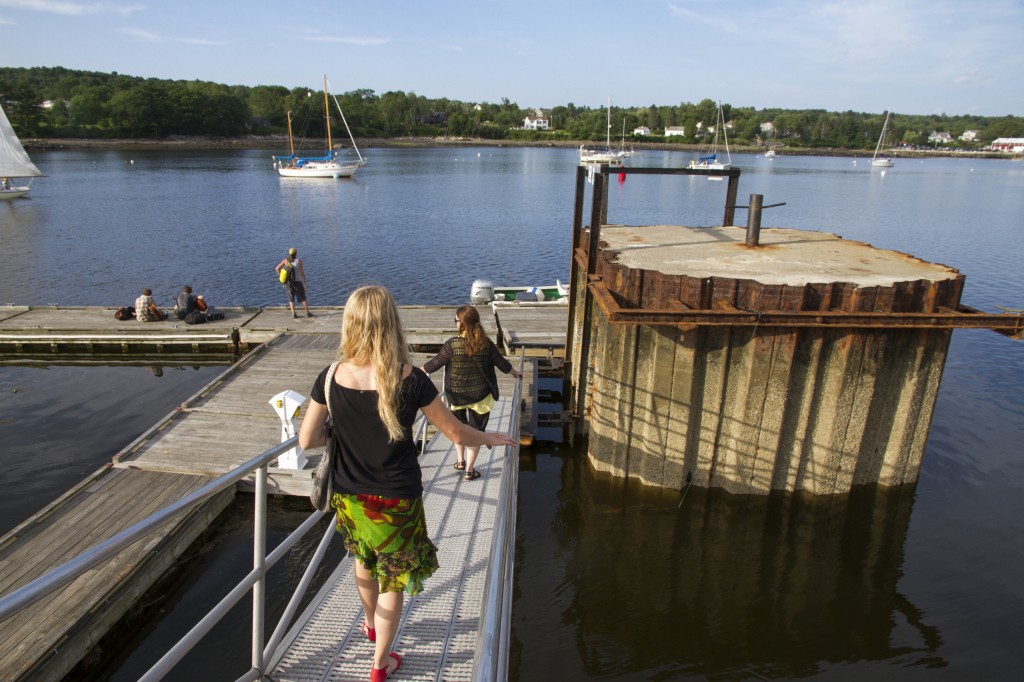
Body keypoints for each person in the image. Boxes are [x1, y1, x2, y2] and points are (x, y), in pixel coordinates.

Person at [298, 286, 515, 682]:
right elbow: (456, 433)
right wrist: (490, 437)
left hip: (350, 496)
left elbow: (307, 440)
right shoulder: (410, 379)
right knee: (393, 578)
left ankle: (369, 625)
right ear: (391, 324)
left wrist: (344, 429)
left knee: (363, 560)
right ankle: (380, 665)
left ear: (351, 323)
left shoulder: (329, 377)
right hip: (397, 500)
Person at [422, 305, 522, 480]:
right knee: (476, 433)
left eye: (455, 320)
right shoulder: (486, 344)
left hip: (456, 396)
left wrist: (413, 372)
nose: (454, 323)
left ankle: (460, 461)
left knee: (459, 431)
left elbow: (432, 365)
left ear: (461, 324)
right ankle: (469, 469)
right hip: (481, 397)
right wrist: (515, 373)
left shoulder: (452, 345)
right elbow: (502, 364)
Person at [275, 247, 313, 319]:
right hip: (298, 282)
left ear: (289, 254)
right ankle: (307, 313)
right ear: (296, 254)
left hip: (288, 283)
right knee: (303, 299)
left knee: (291, 299)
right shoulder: (299, 261)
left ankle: (293, 314)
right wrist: (304, 284)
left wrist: (281, 276)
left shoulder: (285, 261)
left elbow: (277, 268)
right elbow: (302, 273)